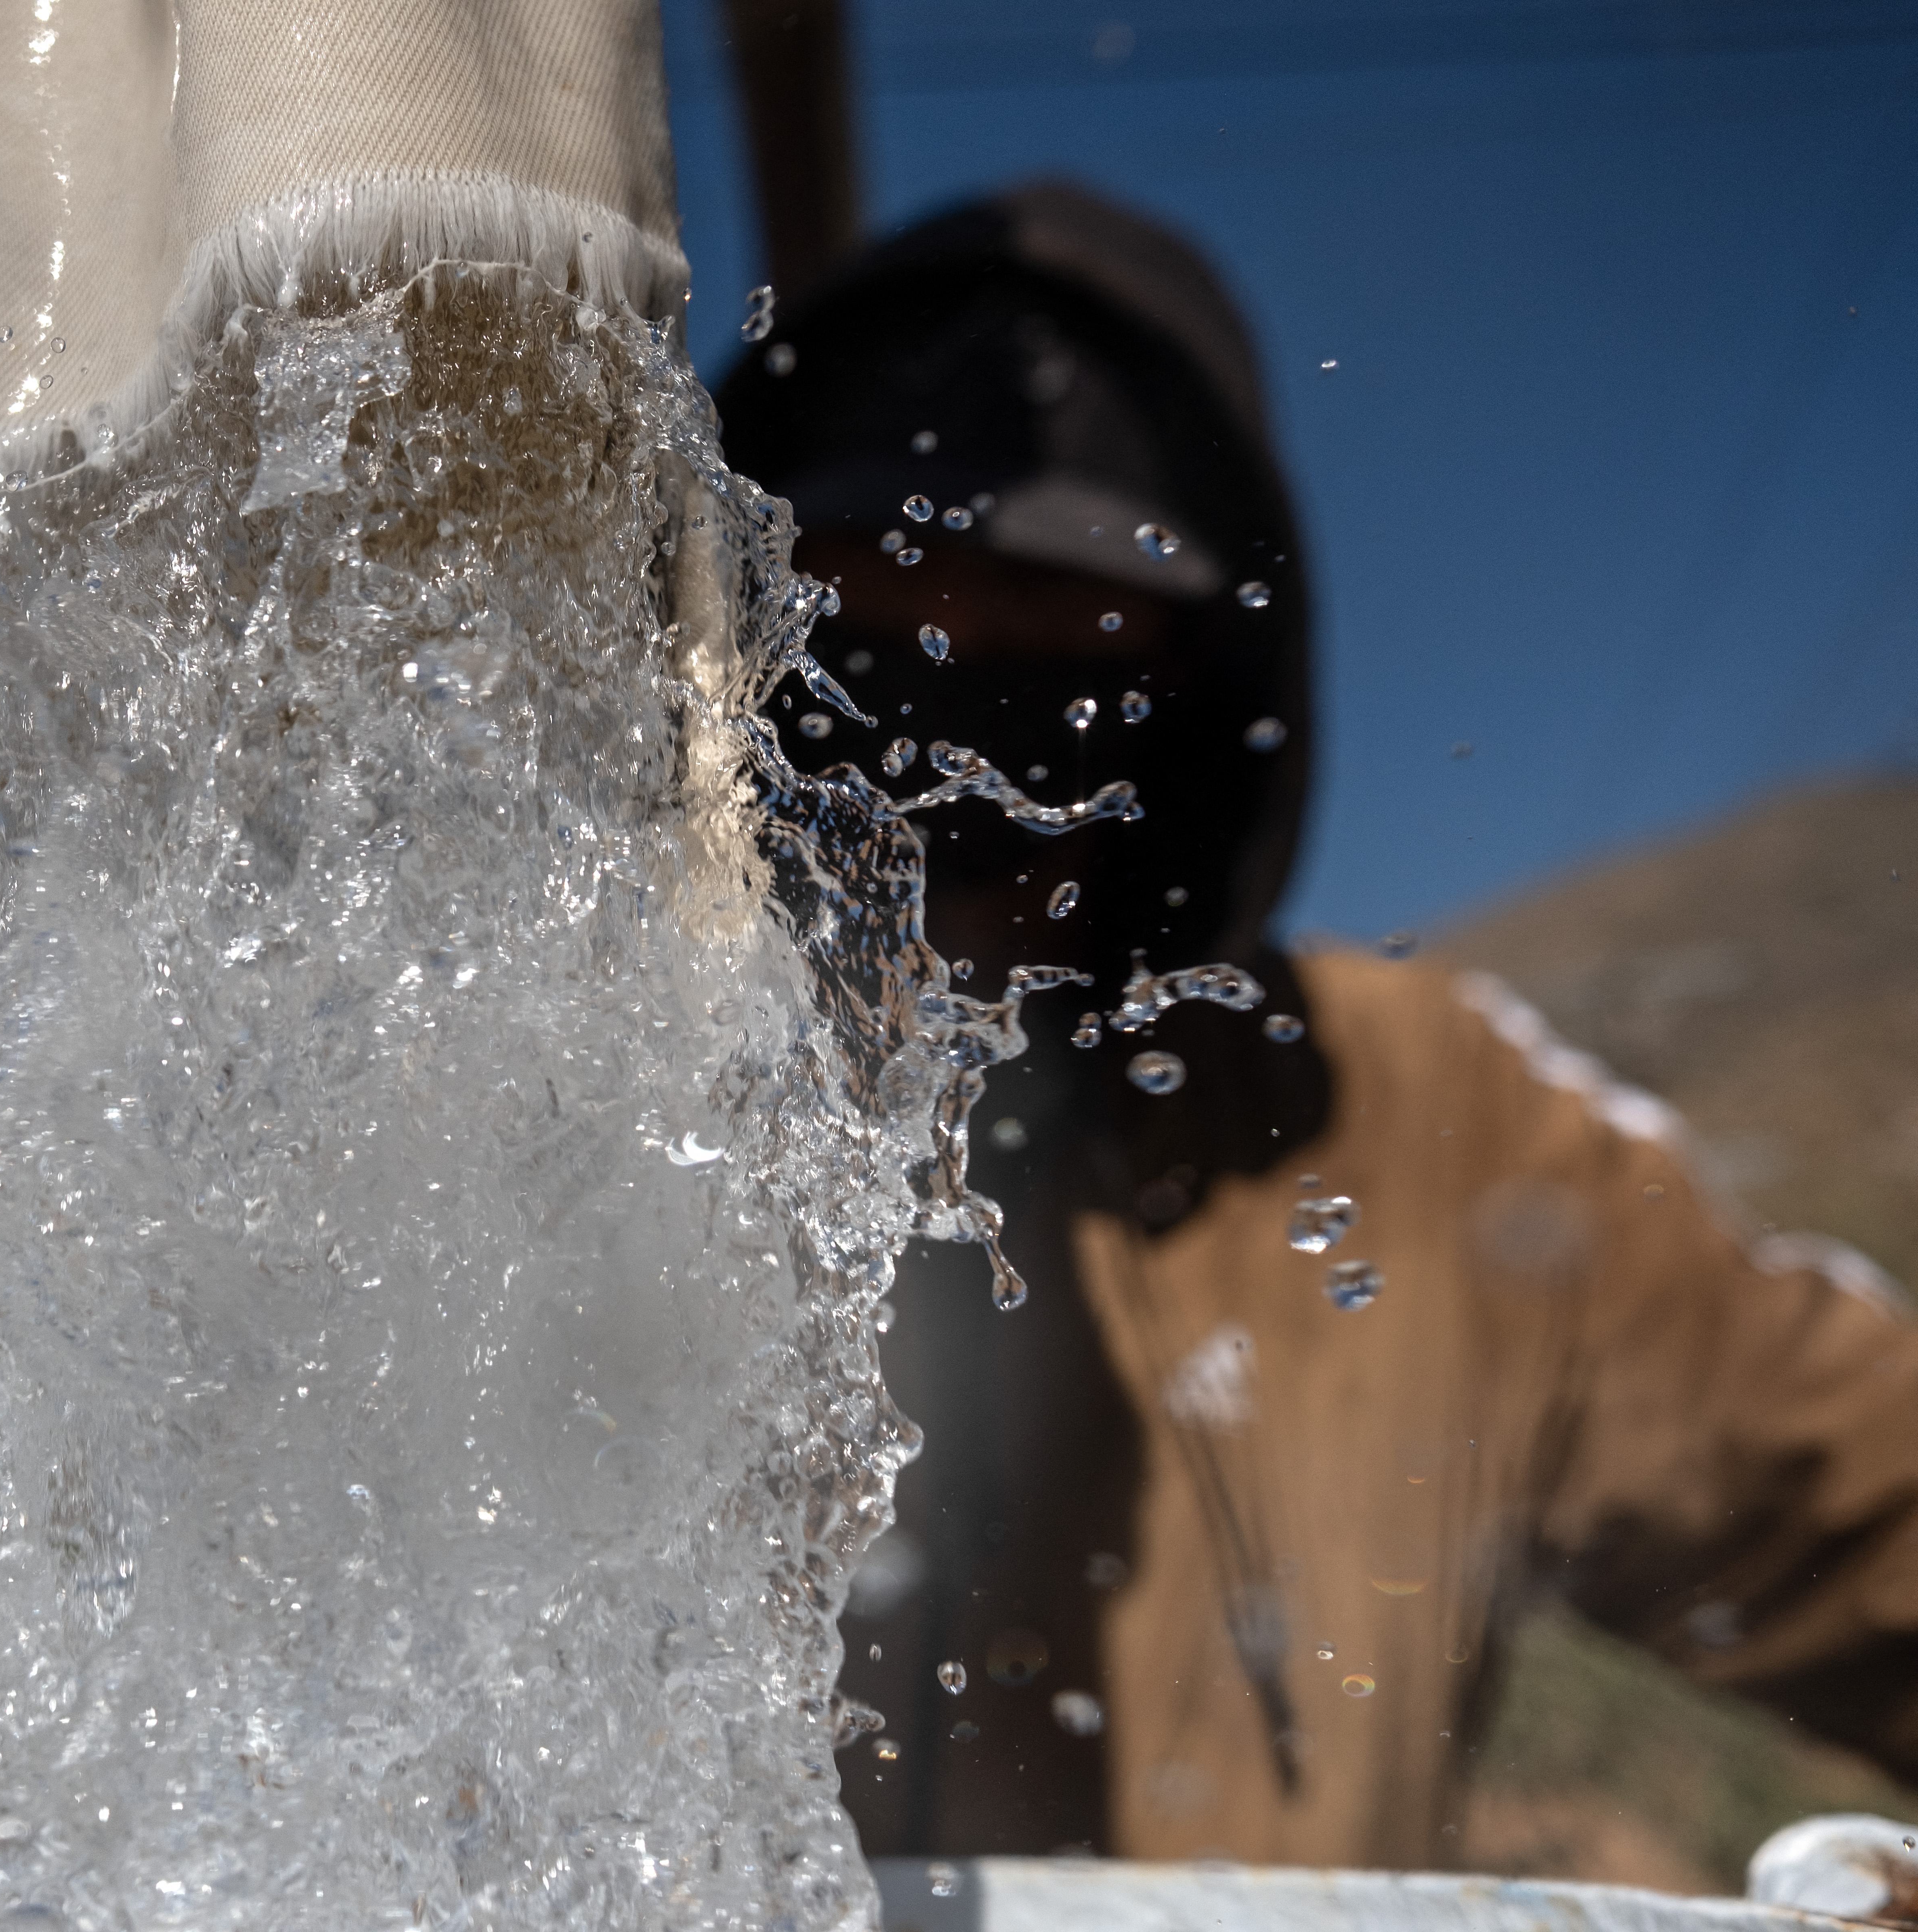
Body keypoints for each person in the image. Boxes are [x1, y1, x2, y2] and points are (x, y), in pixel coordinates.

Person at [713, 179, 1918, 1867]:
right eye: (869, 687)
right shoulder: (559, 1103)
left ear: (1201, 734)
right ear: (732, 665)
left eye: (1050, 714)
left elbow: (1870, 1510)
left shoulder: (1427, 1125)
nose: (938, 807)